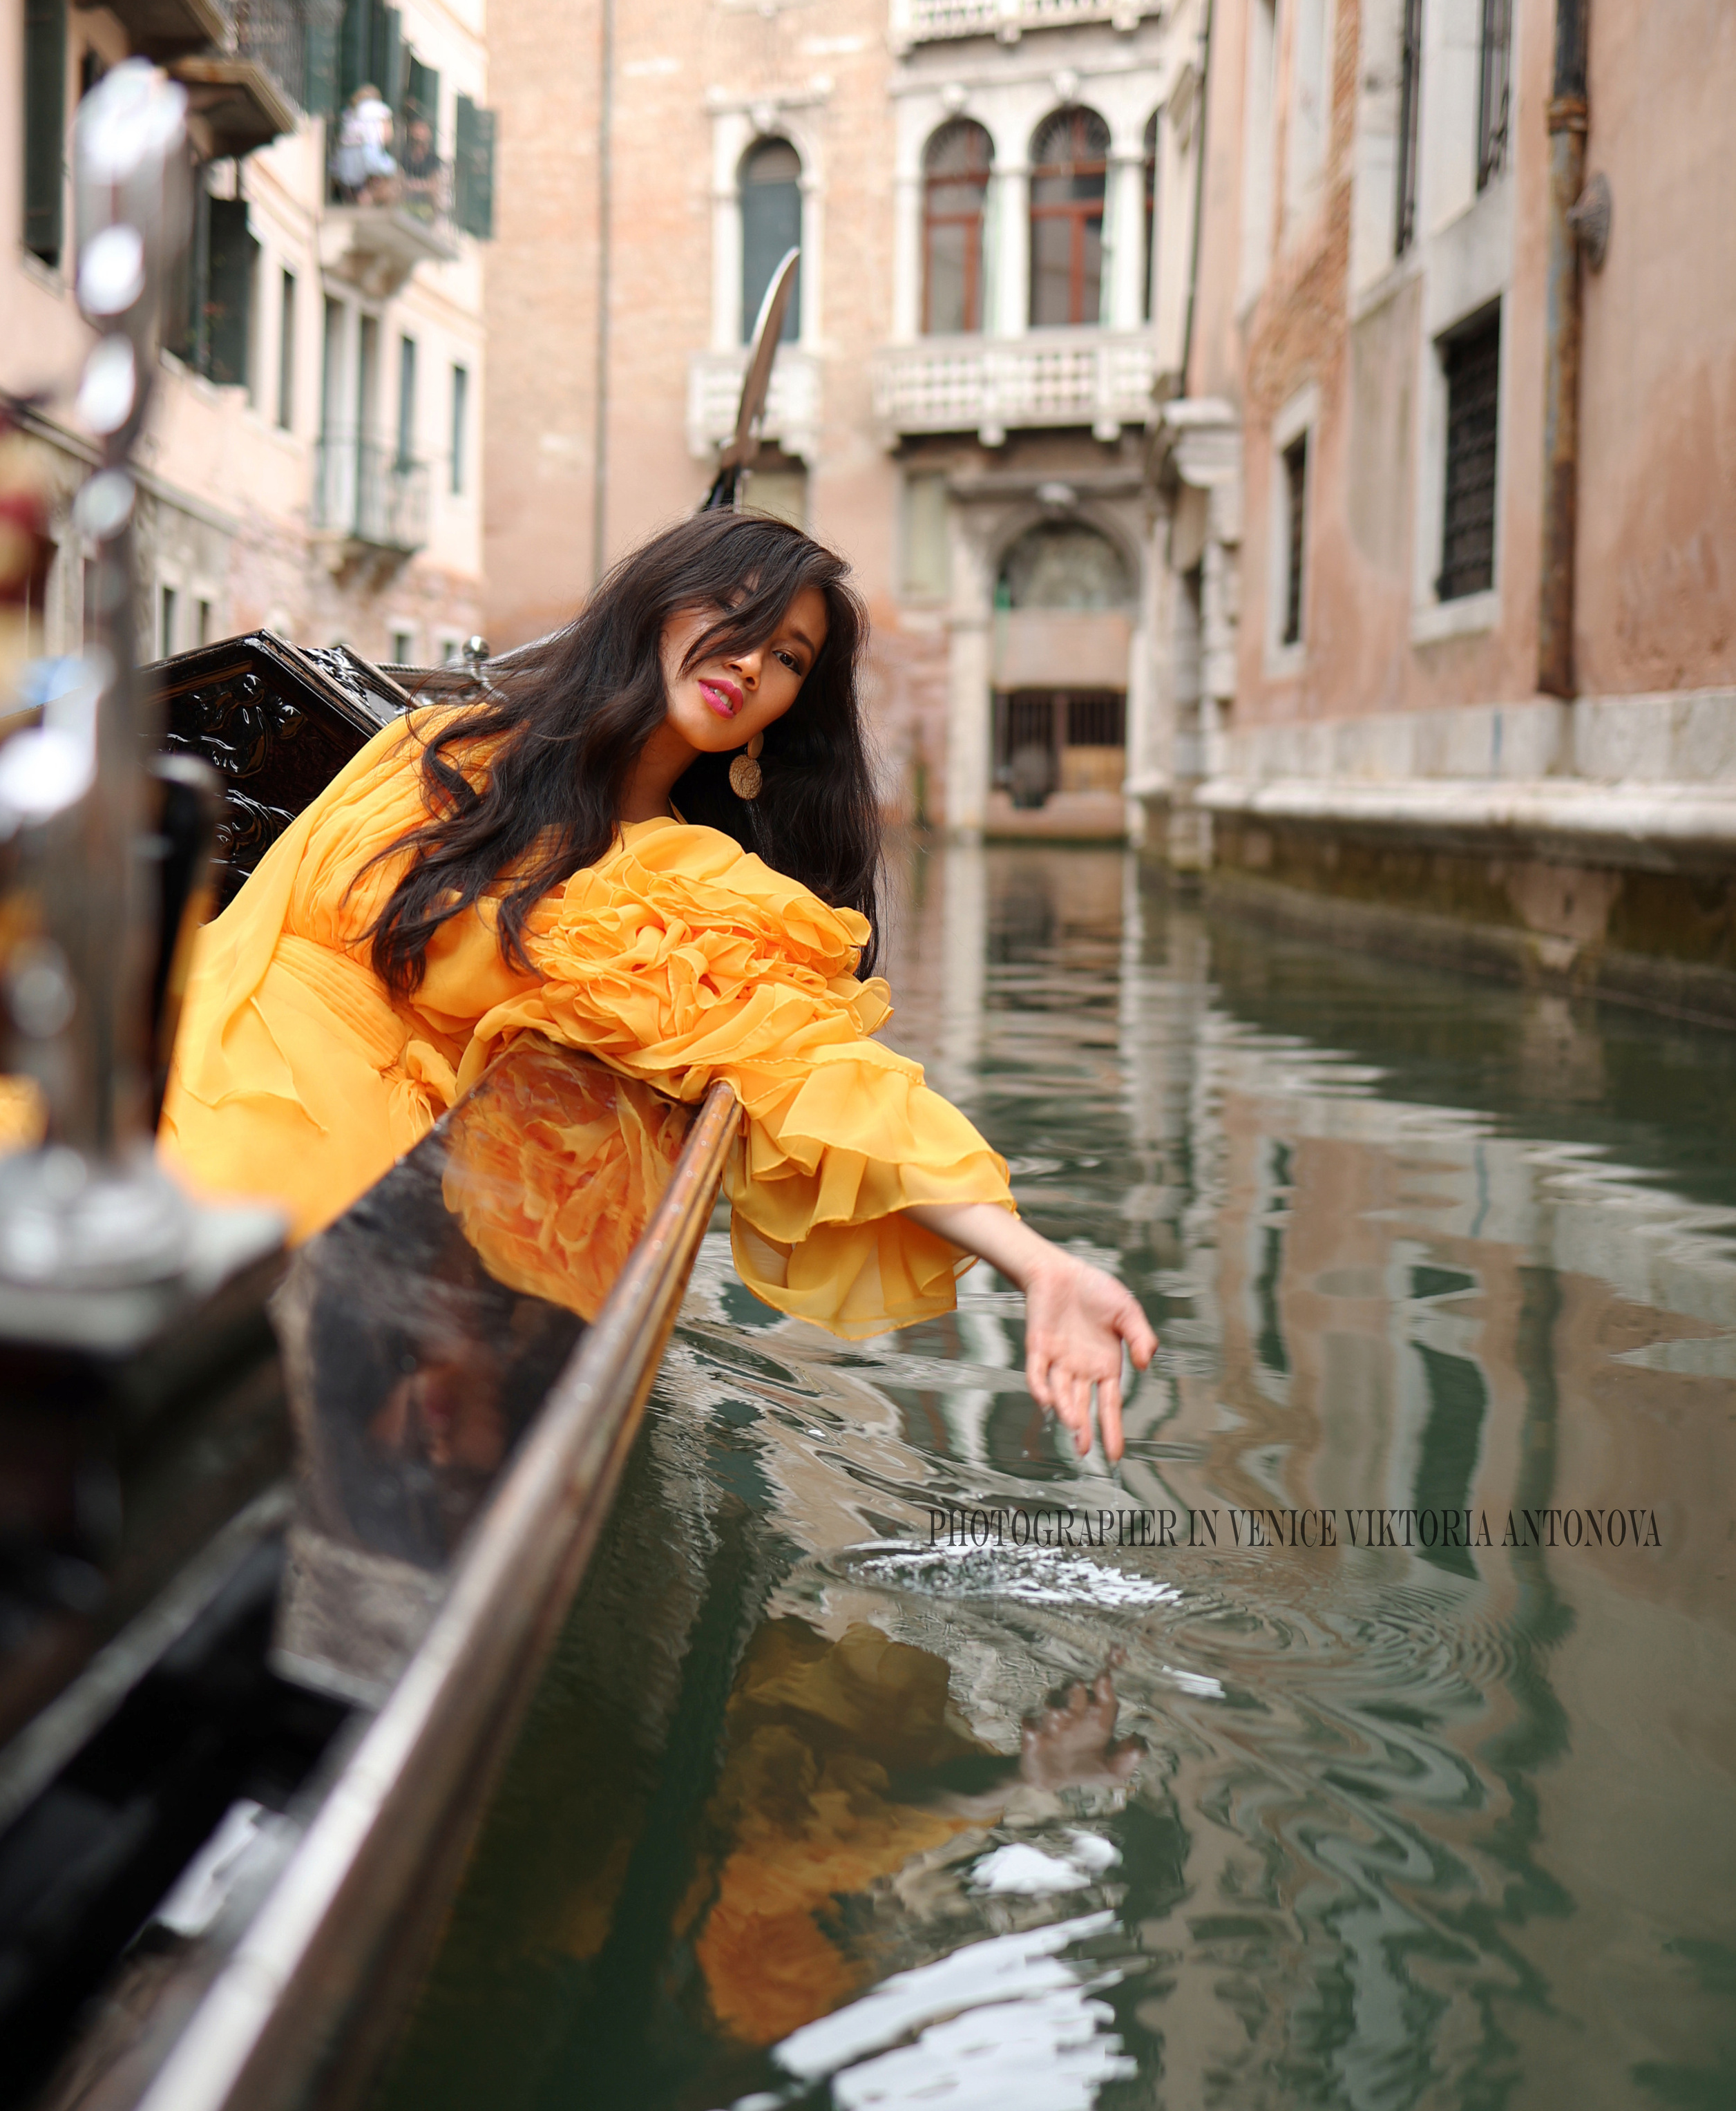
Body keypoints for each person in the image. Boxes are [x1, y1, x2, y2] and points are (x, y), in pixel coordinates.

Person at [160, 514, 1157, 1461]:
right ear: (657, 603)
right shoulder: (441, 747)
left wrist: (1037, 1261)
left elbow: (817, 1070)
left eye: (790, 660)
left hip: (345, 1132)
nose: (753, 661)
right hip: (202, 1028)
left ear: (785, 712)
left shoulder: (692, 887)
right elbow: (255, 926)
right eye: (735, 610)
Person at [331, 83, 396, 202]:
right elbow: (388, 135)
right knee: (391, 172)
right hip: (370, 149)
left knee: (354, 180)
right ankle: (369, 197)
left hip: (346, 154)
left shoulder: (348, 113)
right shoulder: (380, 109)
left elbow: (342, 136)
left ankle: (359, 197)